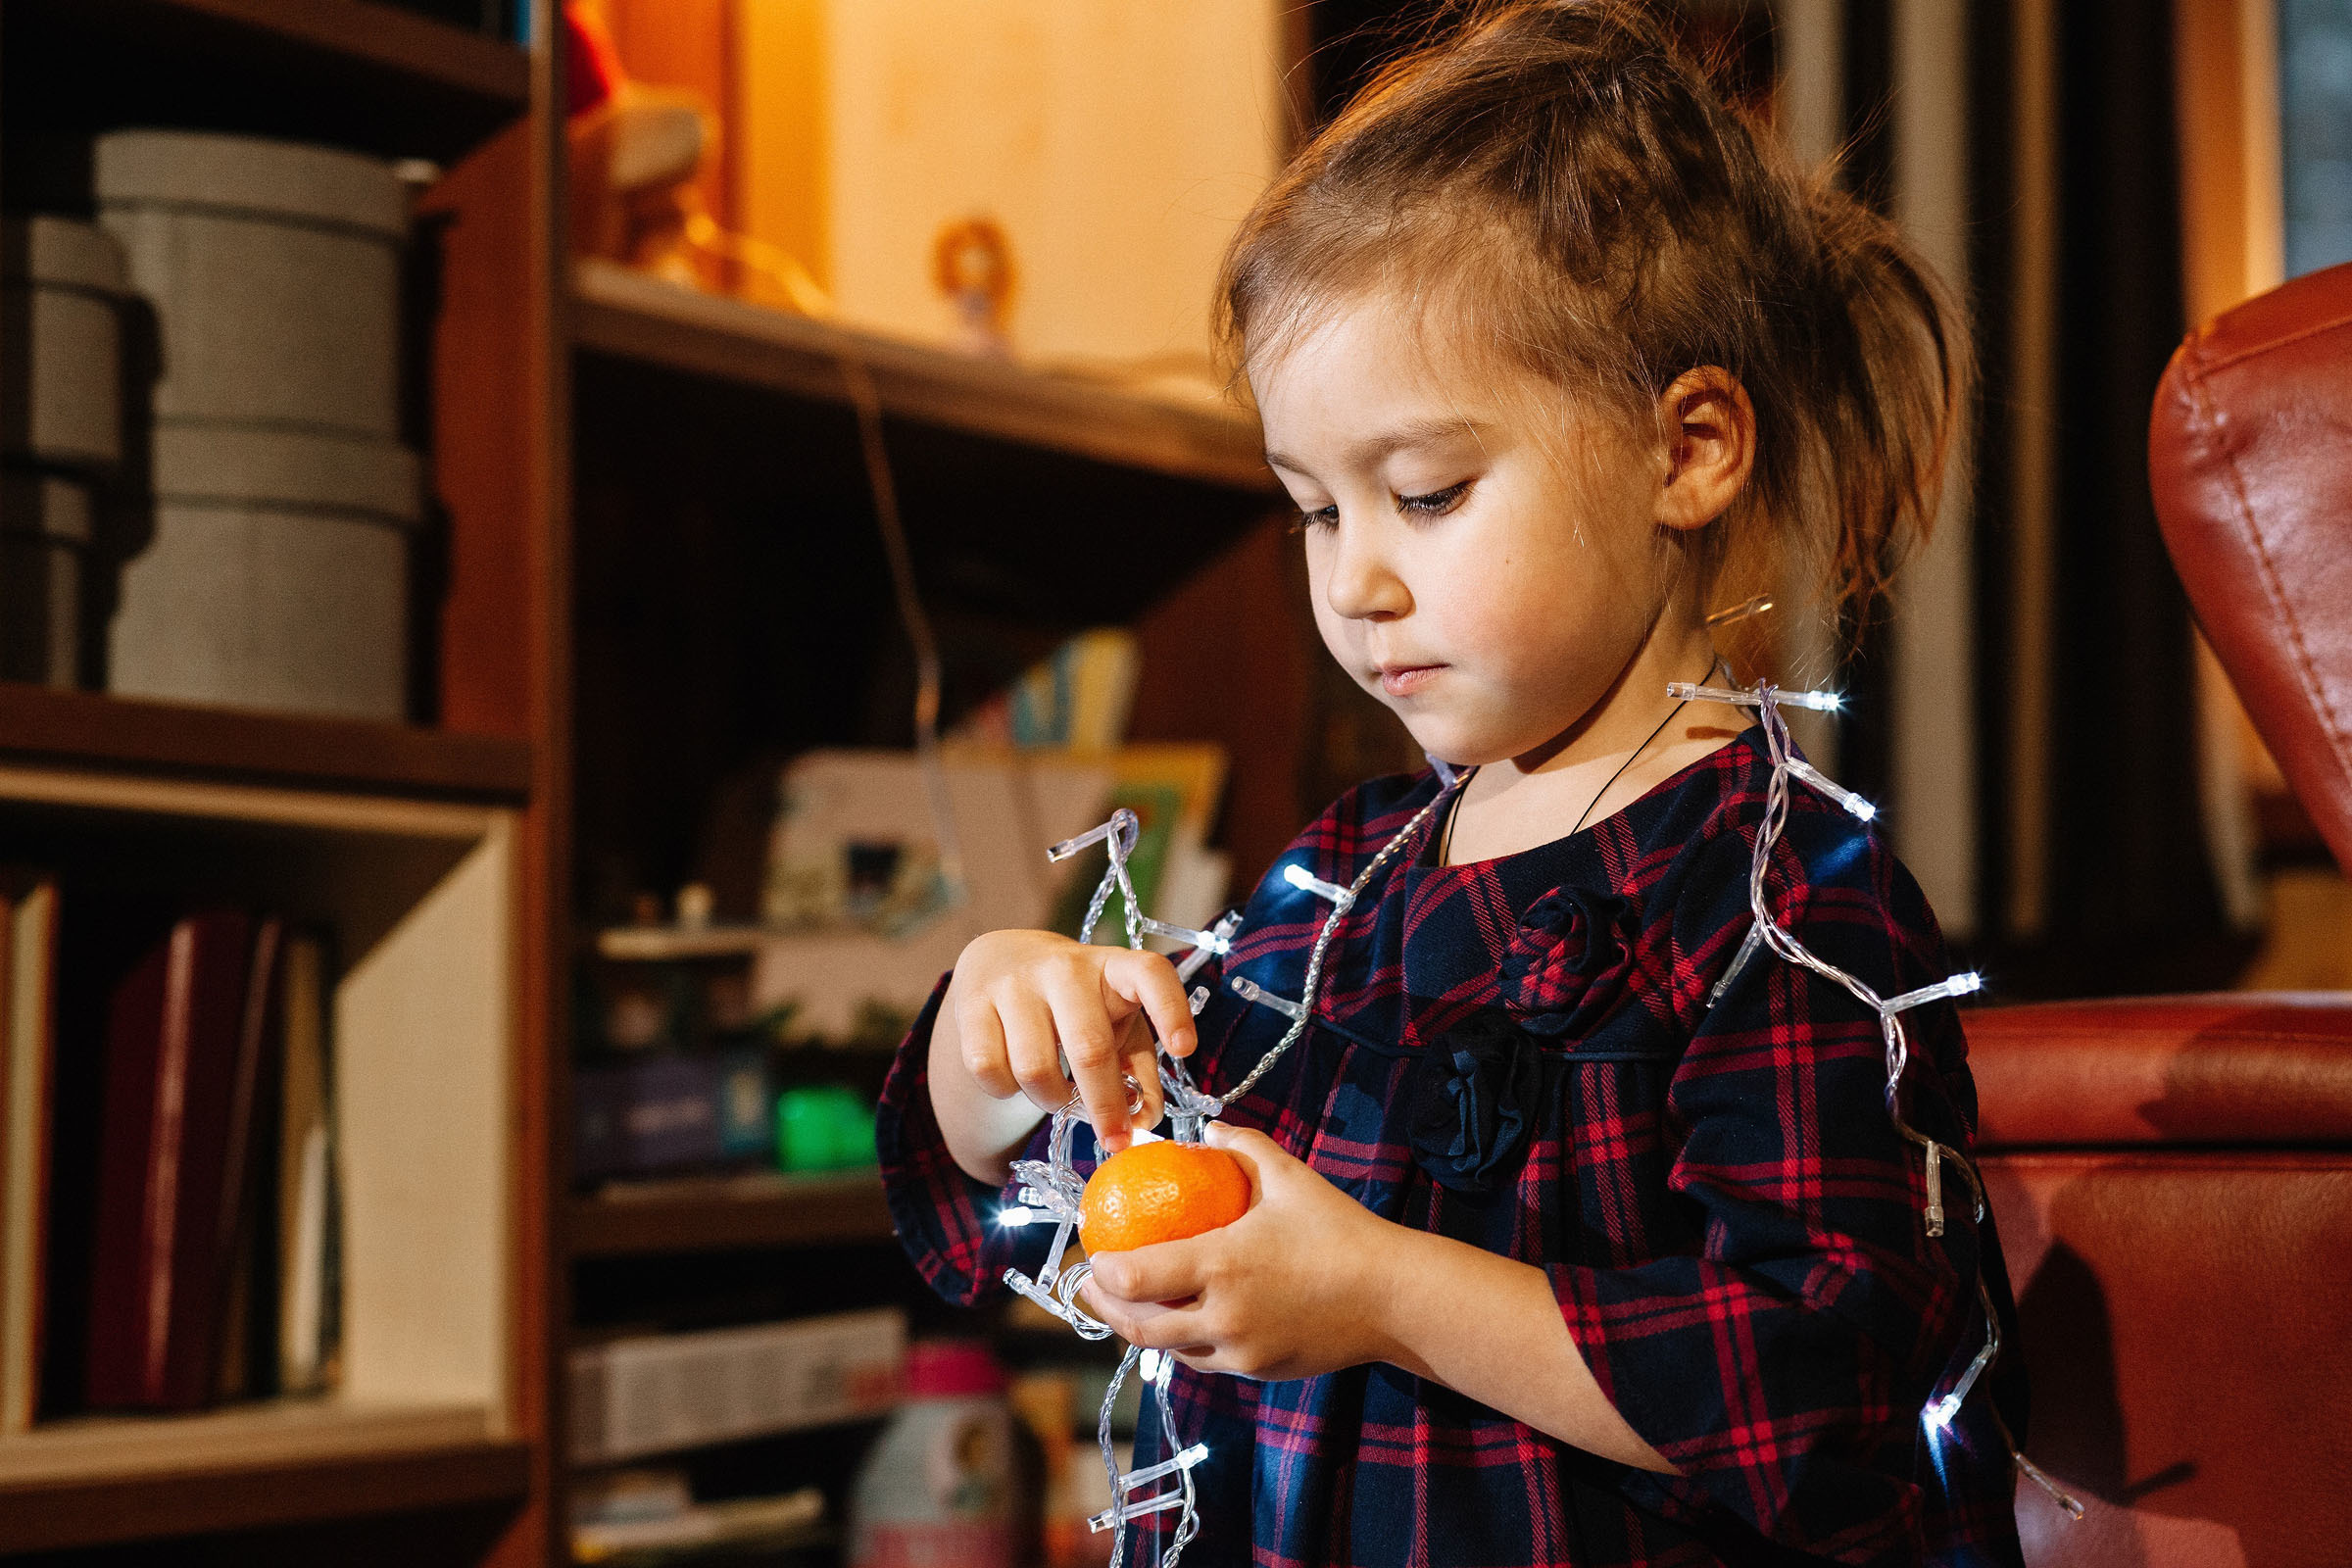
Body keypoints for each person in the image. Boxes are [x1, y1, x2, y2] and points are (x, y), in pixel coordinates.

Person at [876, 3, 2027, 1563]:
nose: (1357, 582)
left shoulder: (1781, 899)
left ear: (1687, 449)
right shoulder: (1349, 876)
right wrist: (990, 1053)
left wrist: (1383, 1297)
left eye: (1423, 494)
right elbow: (1077, 1195)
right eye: (1310, 509)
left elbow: (1819, 1392)